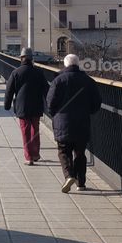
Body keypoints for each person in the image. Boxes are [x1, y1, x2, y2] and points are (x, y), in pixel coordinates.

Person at [46, 54, 102, 193]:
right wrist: (89, 111)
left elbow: (50, 102)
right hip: (82, 122)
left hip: (62, 122)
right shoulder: (88, 81)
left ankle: (69, 176)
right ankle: (81, 183)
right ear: (78, 64)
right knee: (80, 153)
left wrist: (55, 115)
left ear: (65, 65)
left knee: (63, 151)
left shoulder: (58, 80)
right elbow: (96, 102)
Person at [3, 48, 49, 165]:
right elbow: (46, 90)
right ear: (32, 59)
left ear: (21, 58)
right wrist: (50, 104)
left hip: (22, 106)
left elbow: (9, 91)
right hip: (36, 105)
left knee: (25, 131)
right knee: (35, 130)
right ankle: (36, 154)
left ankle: (28, 157)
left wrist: (7, 105)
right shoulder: (39, 72)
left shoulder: (16, 72)